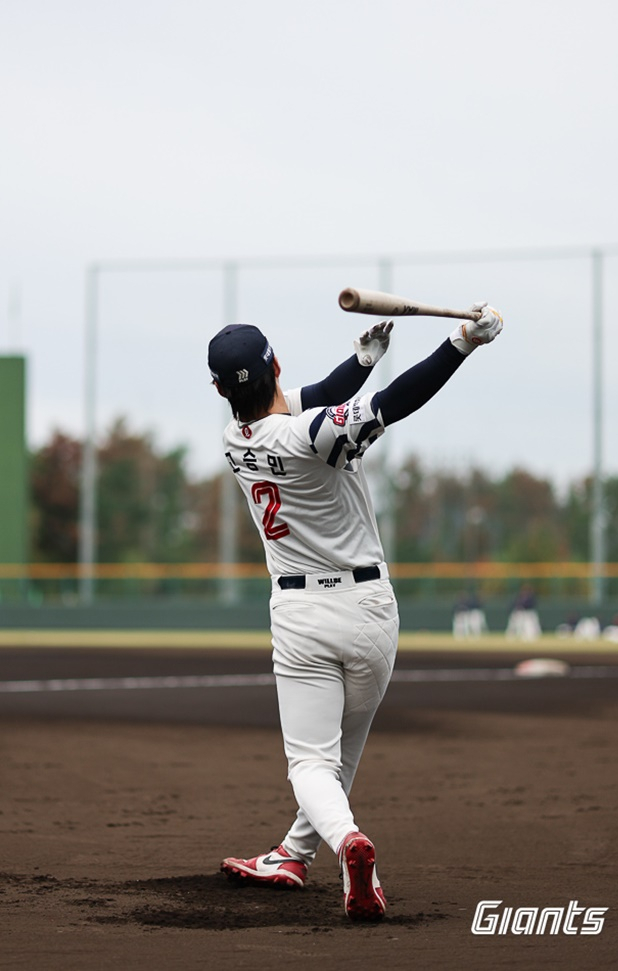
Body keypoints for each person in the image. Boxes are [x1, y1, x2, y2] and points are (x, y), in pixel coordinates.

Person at [210, 299, 503, 922]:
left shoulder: (234, 439)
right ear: (276, 367)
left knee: (313, 762)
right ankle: (293, 853)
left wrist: (361, 360)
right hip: (371, 609)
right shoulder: (312, 430)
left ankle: (348, 844)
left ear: (217, 389)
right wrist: (462, 344)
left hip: (301, 616)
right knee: (340, 754)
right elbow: (394, 401)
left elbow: (302, 401)